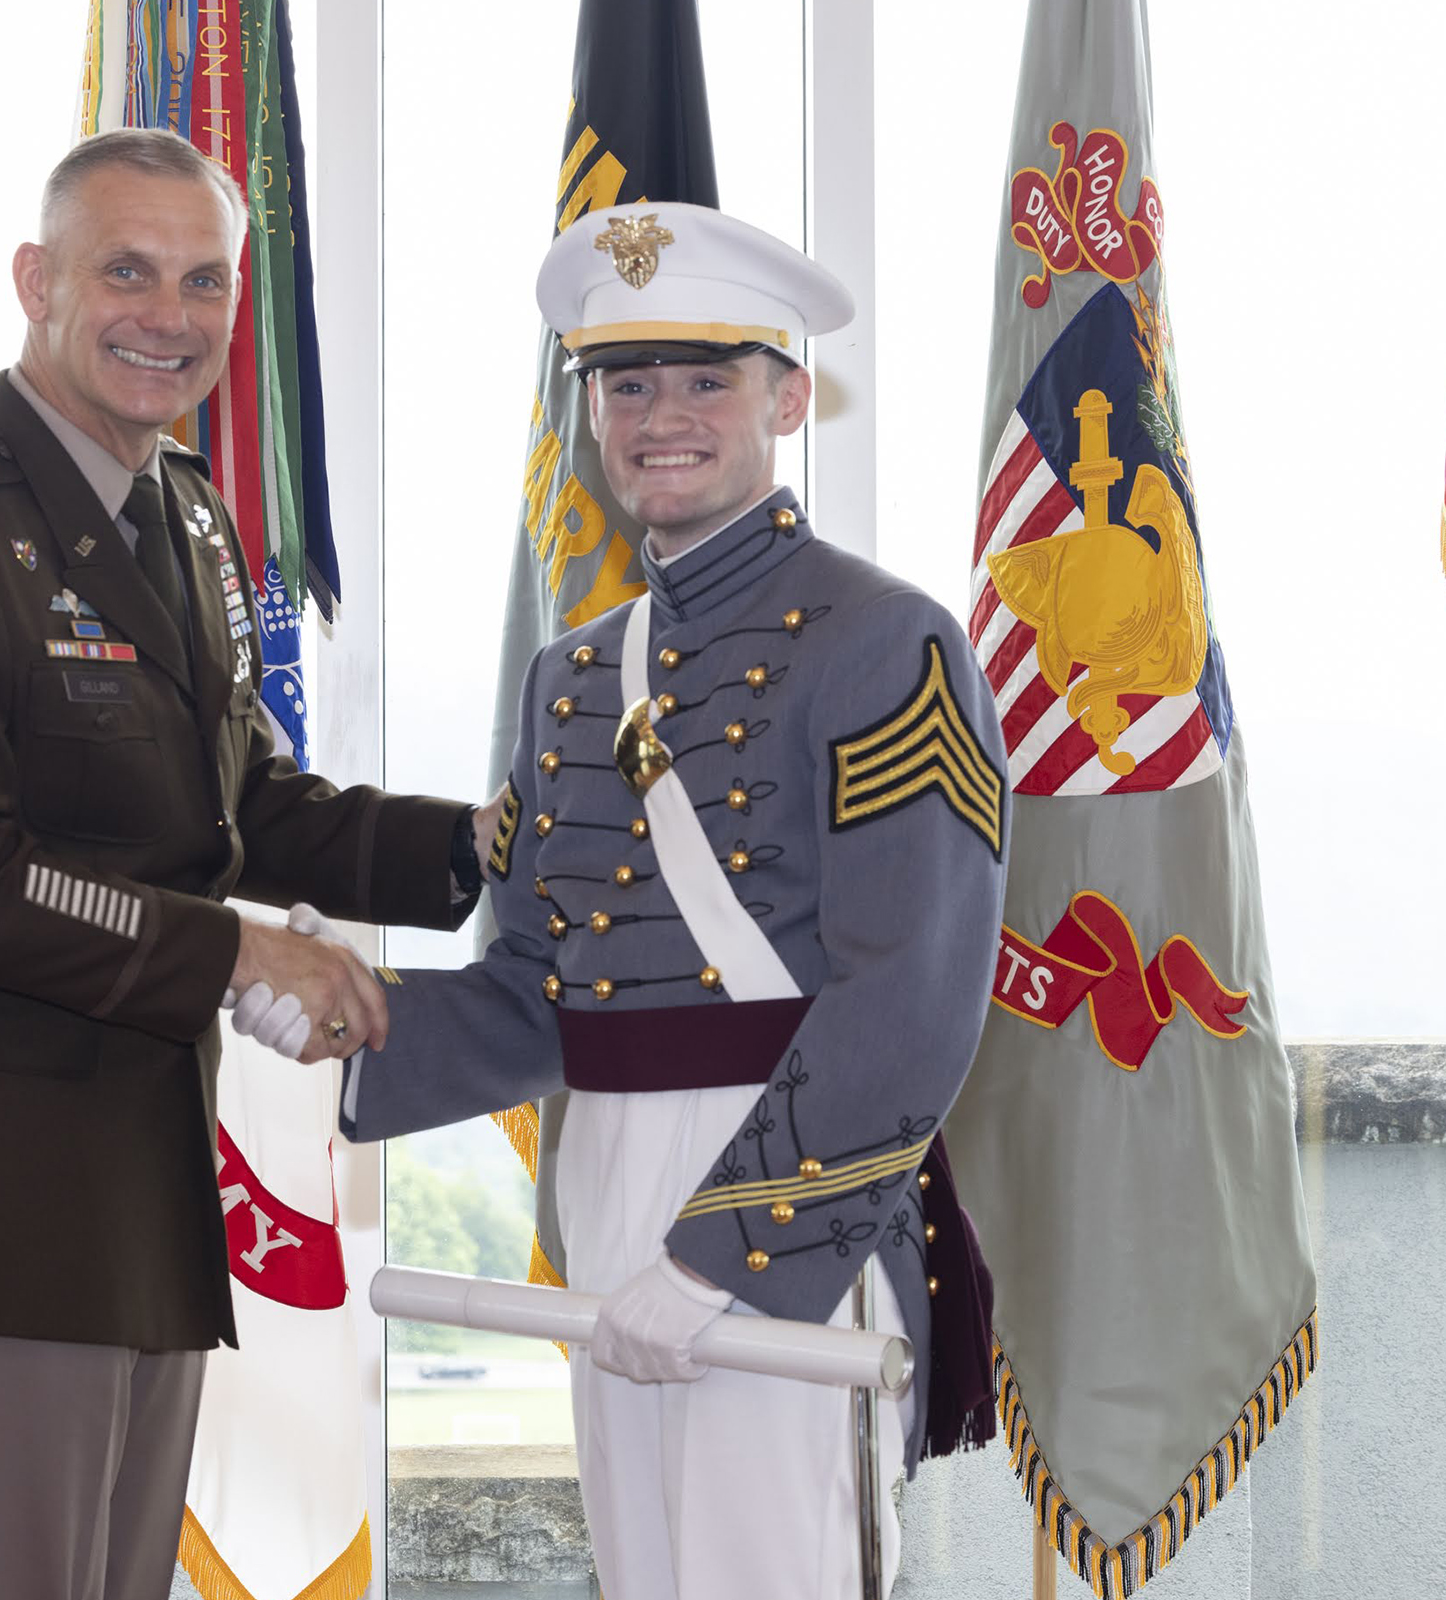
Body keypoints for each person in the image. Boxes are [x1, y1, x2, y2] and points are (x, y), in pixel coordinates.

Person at [0, 128, 487, 1600]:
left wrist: (491, 848)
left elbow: (239, 808)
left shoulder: (187, 517)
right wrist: (236, 951)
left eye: (204, 280)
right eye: (128, 272)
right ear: (36, 282)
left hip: (133, 1206)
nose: (171, 315)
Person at [335, 202, 1010, 1597]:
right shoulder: (575, 671)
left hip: (785, 1193)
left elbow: (911, 993)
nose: (662, 418)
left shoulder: (890, 641)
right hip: (606, 1181)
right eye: (627, 384)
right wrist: (343, 1033)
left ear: (790, 398)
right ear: (591, 409)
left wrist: (723, 1258)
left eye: (707, 378)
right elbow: (541, 993)